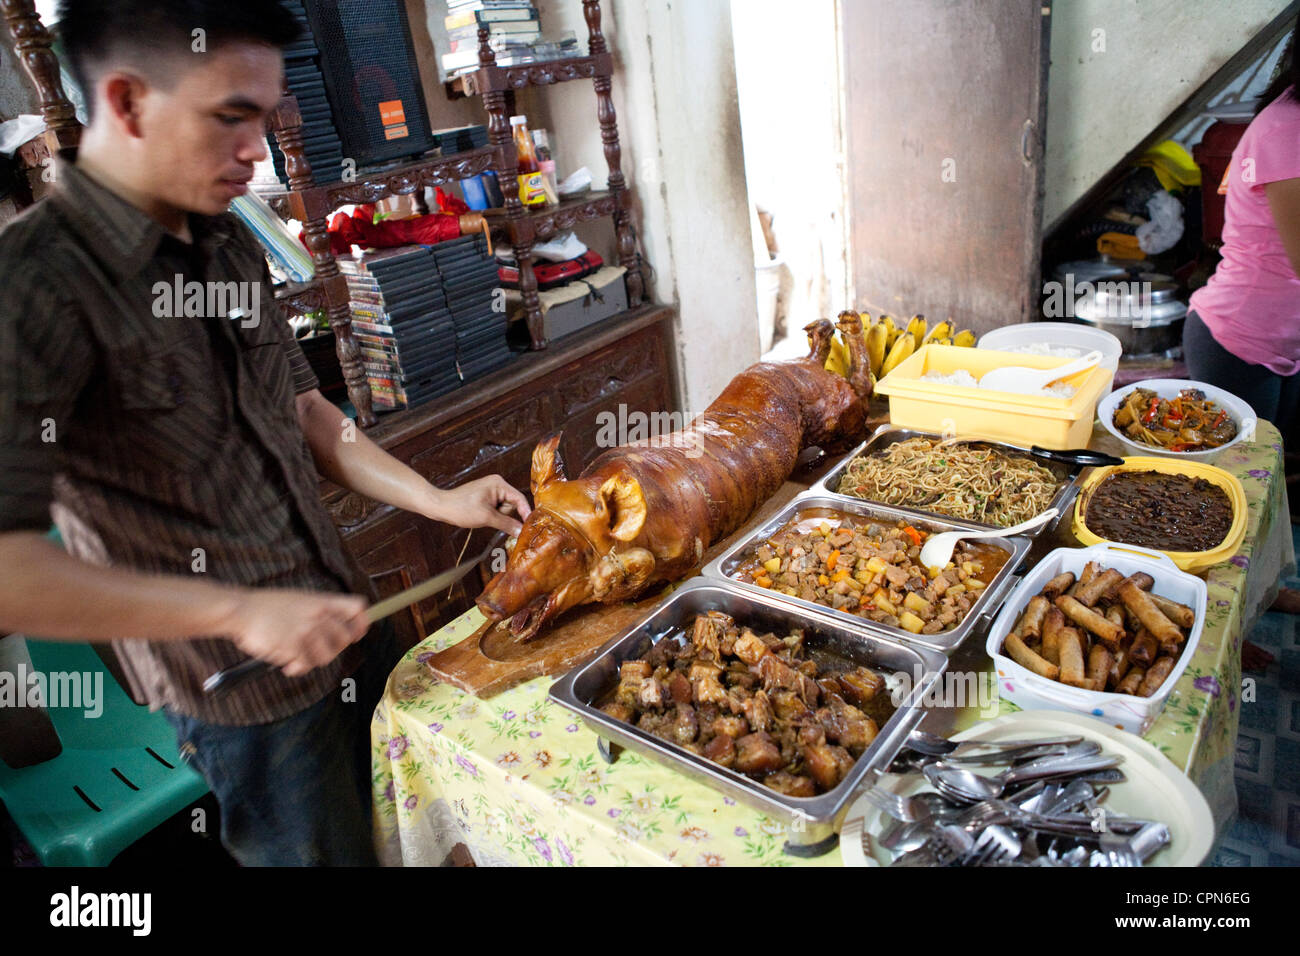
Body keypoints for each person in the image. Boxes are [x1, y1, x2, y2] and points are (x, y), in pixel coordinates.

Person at [0, 0, 530, 865]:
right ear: (129, 103)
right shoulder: (36, 290)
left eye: (267, 115)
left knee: (438, 838)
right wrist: (237, 611)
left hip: (352, 628)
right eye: (231, 117)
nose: (262, 149)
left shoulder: (229, 246)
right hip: (248, 702)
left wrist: (438, 500)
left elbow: (304, 410)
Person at [1184, 27, 1300, 667]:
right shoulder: (1286, 129)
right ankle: (1218, 630)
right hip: (1237, 341)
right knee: (1222, 498)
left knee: (1267, 485)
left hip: (1283, 343)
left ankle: (1262, 592)